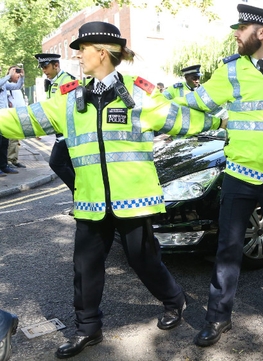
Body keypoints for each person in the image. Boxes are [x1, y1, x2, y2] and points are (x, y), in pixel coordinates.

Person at [0, 21, 218, 358]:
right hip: (91, 201)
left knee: (143, 260)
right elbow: (23, 119)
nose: (78, 58)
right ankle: (88, 329)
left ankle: (175, 300)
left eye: (83, 51)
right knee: (85, 265)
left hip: (133, 199)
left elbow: (182, 119)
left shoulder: (141, 93)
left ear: (102, 53)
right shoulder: (70, 98)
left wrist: (221, 121)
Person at [171, 4, 263, 347]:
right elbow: (197, 103)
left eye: (241, 28)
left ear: (261, 32)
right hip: (240, 173)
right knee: (228, 248)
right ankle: (218, 318)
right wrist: (163, 98)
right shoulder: (230, 70)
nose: (235, 34)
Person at [35, 53, 77, 195]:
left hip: (68, 132)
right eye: (42, 68)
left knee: (56, 163)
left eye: (46, 67)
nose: (44, 71)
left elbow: (69, 109)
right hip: (61, 131)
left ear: (56, 65)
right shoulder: (53, 82)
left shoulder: (67, 81)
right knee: (71, 167)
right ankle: (80, 199)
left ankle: (79, 194)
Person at [0, 67, 24, 177]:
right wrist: (9, 76)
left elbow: (17, 86)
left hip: (4, 117)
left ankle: (4, 166)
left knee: (4, 143)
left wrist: (22, 77)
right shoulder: (2, 81)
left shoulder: (4, 83)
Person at [5, 66, 26, 169]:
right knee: (11, 140)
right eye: (15, 71)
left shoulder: (16, 86)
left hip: (20, 115)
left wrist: (22, 76)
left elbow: (19, 86)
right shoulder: (5, 84)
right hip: (11, 115)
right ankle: (9, 160)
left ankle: (14, 159)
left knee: (17, 140)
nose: (17, 74)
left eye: (18, 71)